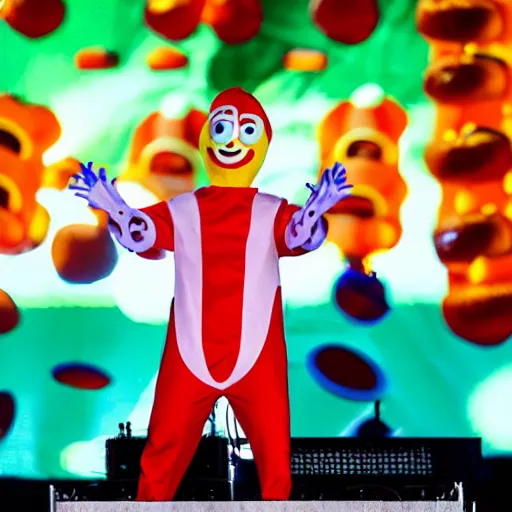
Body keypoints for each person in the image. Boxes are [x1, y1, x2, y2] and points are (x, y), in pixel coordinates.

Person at [69, 87, 352, 501]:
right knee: (162, 456)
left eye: (245, 131)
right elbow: (141, 233)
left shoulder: (272, 209)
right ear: (206, 140)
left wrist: (314, 210)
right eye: (222, 129)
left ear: (262, 144)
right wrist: (113, 206)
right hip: (190, 355)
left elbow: (301, 236)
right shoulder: (183, 208)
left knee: (275, 458)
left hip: (257, 357)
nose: (233, 141)